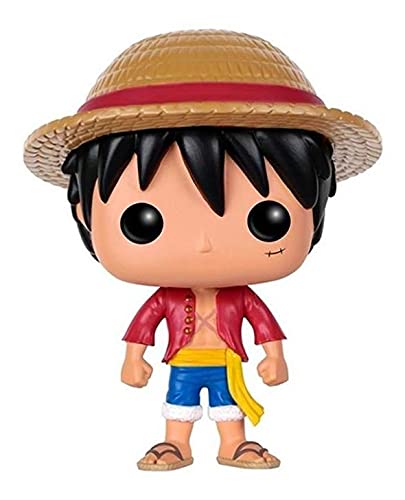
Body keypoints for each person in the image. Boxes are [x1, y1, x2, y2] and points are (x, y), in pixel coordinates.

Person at [24, 29, 382, 470]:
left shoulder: (240, 298)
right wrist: (133, 358)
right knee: (179, 405)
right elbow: (143, 327)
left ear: (316, 206)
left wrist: (274, 355)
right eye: (143, 221)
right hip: (183, 362)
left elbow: (264, 326)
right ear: (84, 213)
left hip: (228, 361)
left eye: (268, 218)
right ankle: (176, 444)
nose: (204, 243)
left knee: (230, 406)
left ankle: (234, 445)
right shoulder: (167, 300)